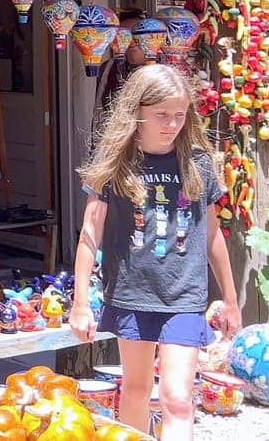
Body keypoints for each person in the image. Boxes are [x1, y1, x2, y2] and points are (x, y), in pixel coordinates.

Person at [70, 64, 241, 439]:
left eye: (180, 115)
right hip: (133, 293)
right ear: (137, 114)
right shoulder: (115, 164)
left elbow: (212, 234)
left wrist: (229, 298)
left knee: (178, 398)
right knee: (135, 390)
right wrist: (80, 301)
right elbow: (90, 232)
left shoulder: (197, 164)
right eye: (161, 115)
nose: (172, 124)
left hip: (184, 296)